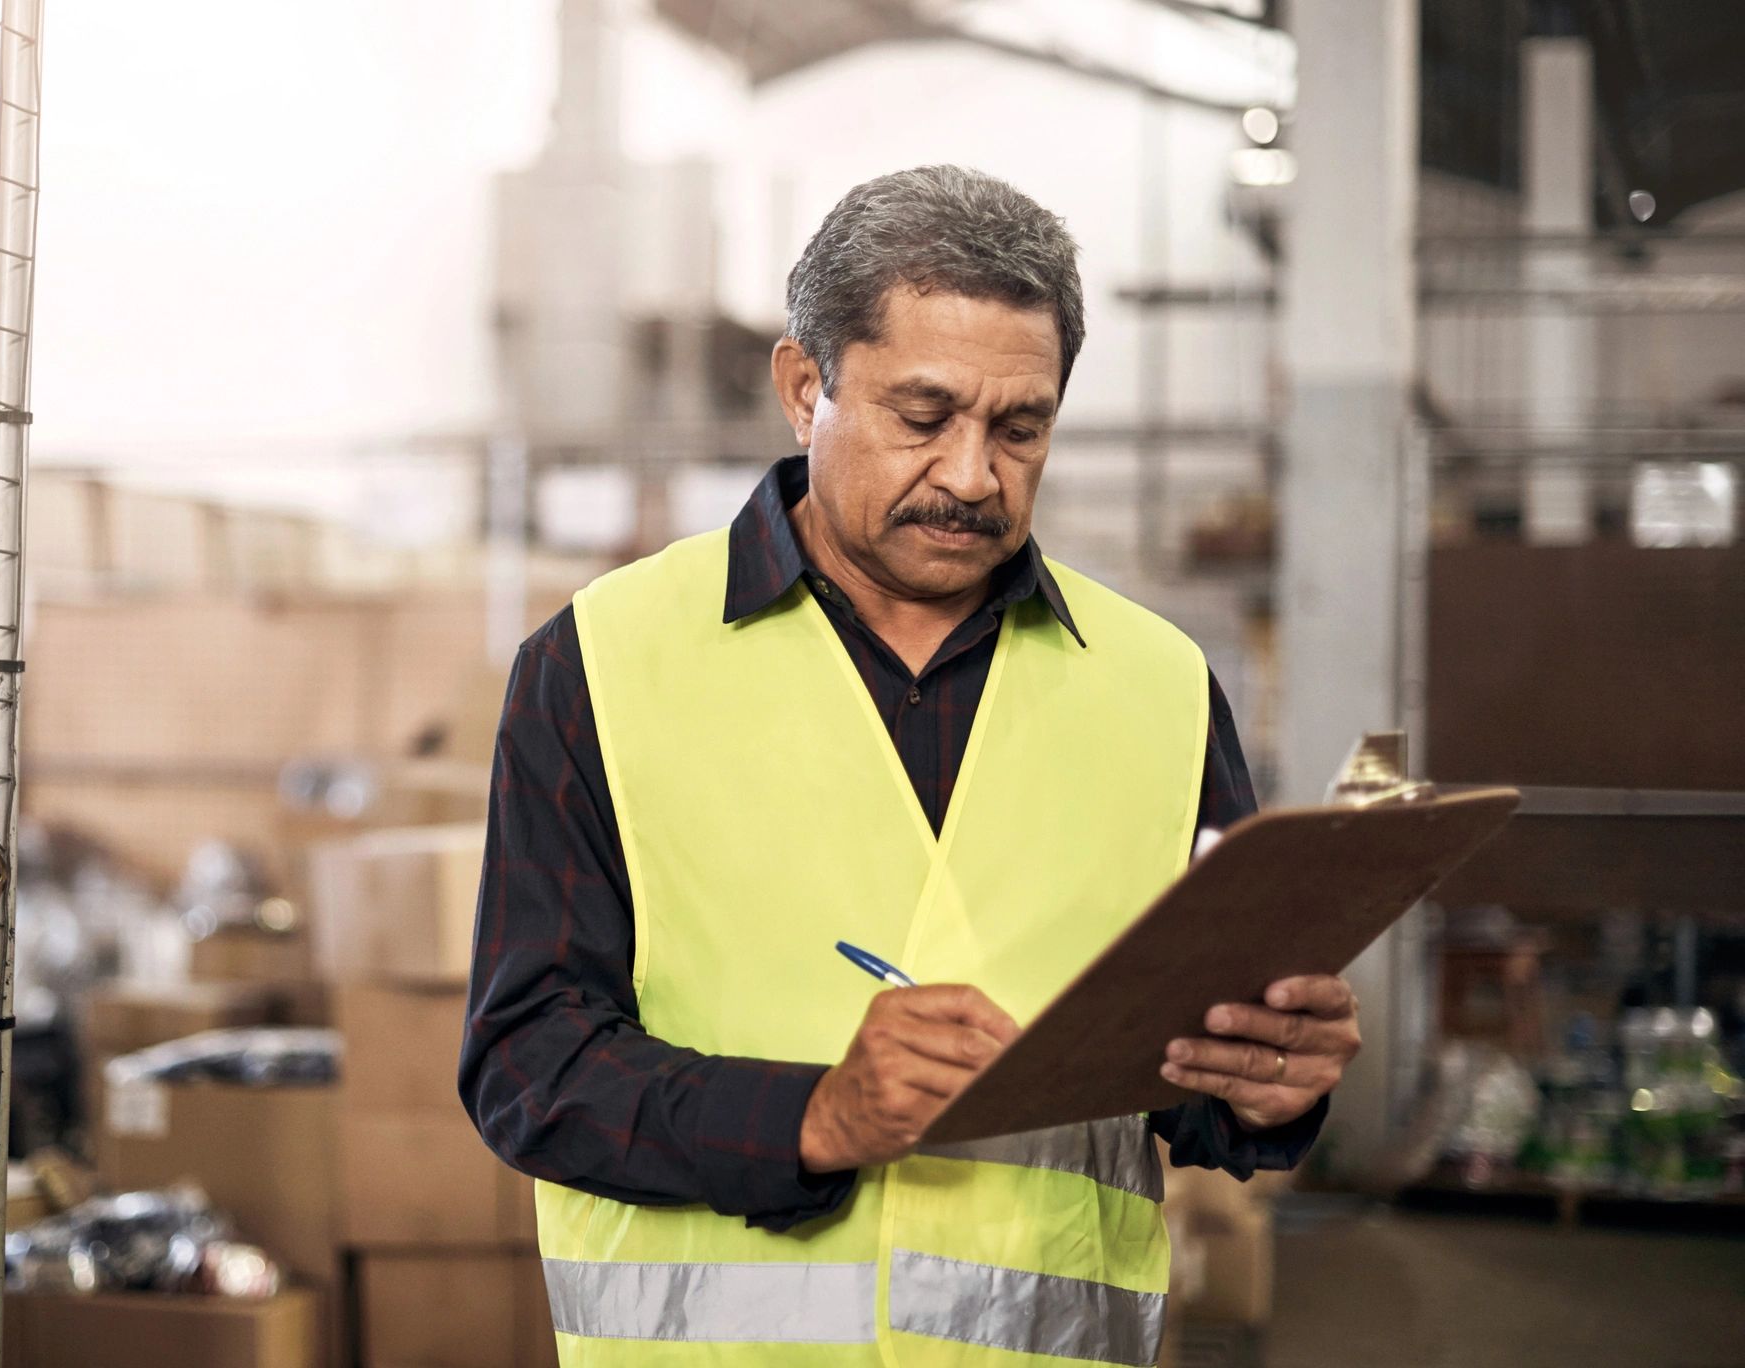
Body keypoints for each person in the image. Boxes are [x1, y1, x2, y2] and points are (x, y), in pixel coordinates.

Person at [459, 165, 1361, 1366]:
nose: (973, 475)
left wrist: (1270, 1088)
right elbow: (529, 1065)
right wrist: (813, 1117)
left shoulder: (1156, 685)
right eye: (923, 416)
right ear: (802, 388)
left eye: (1019, 427)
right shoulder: (599, 666)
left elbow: (1186, 1075)